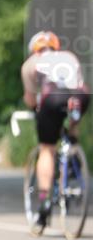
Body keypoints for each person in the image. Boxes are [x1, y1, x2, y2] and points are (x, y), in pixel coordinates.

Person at [20, 30, 91, 227]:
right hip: (80, 95)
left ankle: (43, 201)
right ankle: (73, 147)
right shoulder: (68, 56)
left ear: (34, 49)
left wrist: (37, 110)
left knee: (47, 149)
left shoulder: (31, 63)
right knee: (73, 114)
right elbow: (77, 82)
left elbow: (30, 99)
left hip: (52, 97)